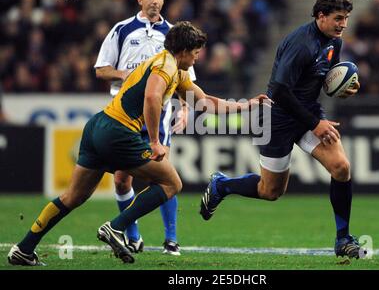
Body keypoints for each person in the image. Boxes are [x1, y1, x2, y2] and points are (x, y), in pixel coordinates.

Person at [8, 21, 269, 266]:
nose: (198, 57)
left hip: (98, 126)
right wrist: (155, 141)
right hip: (118, 132)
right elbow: (153, 97)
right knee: (171, 183)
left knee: (72, 197)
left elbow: (205, 102)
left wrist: (246, 105)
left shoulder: (175, 70)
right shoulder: (165, 66)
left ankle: (24, 248)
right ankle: (116, 227)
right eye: (197, 52)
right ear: (186, 50)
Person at [199, 0, 364, 259]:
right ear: (320, 16)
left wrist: (338, 88)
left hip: (308, 113)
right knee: (270, 191)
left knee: (341, 167)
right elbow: (279, 91)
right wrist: (315, 124)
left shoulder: (335, 41)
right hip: (277, 118)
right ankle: (221, 185)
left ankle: (342, 239)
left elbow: (316, 75)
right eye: (338, 18)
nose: (343, 24)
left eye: (346, 18)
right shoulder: (301, 43)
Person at [94, 0, 192, 255]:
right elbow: (101, 69)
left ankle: (171, 239)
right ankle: (132, 234)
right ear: (139, 0)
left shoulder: (174, 34)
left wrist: (185, 108)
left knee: (161, 175)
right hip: (124, 115)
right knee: (122, 179)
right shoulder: (122, 30)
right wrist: (126, 74)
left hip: (160, 115)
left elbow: (185, 77)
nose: (155, 1)